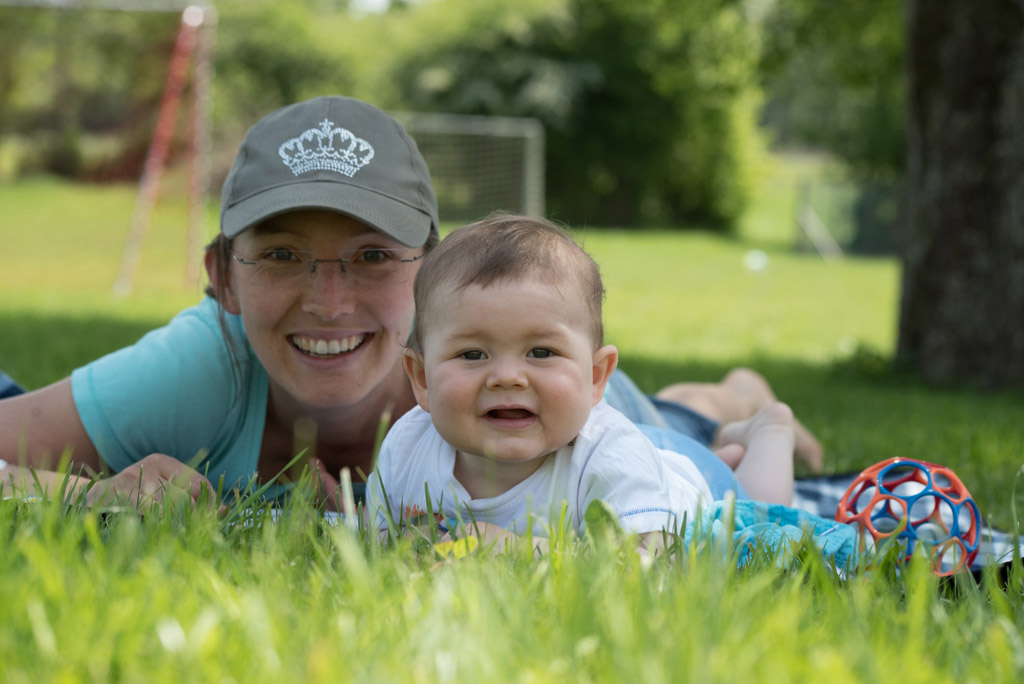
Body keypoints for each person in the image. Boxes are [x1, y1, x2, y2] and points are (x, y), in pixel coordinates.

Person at [0, 94, 816, 510]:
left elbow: (693, 539)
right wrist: (92, 495)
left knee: (693, 439)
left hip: (617, 426)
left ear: (436, 276)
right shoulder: (200, 367)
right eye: (282, 255)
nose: (328, 300)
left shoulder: (501, 376)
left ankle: (738, 395)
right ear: (222, 278)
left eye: (373, 258)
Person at [366, 215, 795, 553]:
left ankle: (769, 430)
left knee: (765, 512)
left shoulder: (612, 456)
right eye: (473, 355)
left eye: (540, 352)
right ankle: (726, 450)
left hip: (694, 489)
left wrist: (520, 550)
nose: (508, 377)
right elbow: (378, 542)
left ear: (595, 378)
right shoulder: (406, 448)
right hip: (653, 463)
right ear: (421, 379)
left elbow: (654, 563)